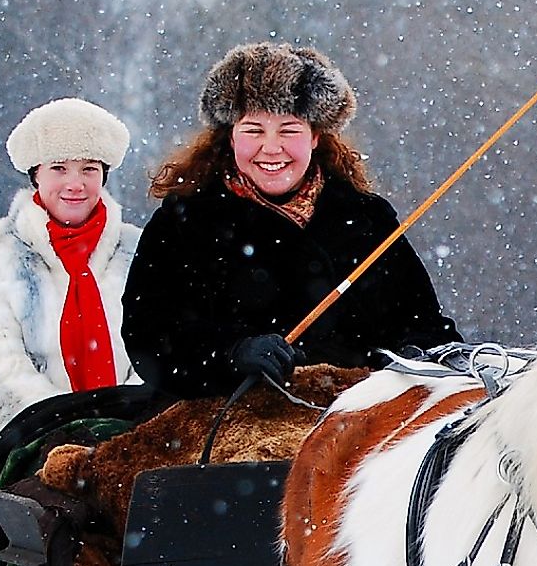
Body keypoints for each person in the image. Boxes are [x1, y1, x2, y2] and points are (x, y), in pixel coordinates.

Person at [122, 42, 460, 400]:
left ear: (315, 136)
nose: (271, 148)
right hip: (225, 419)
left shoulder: (366, 220)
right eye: (254, 131)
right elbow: (150, 337)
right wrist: (231, 354)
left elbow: (425, 326)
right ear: (231, 136)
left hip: (356, 418)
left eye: (288, 130)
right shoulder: (185, 222)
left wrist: (414, 359)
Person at [0, 97, 143, 468]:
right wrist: (63, 428)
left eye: (88, 169)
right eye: (59, 168)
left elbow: (155, 351)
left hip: (129, 434)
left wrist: (123, 424)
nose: (75, 184)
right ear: (36, 174)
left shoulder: (137, 250)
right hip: (20, 436)